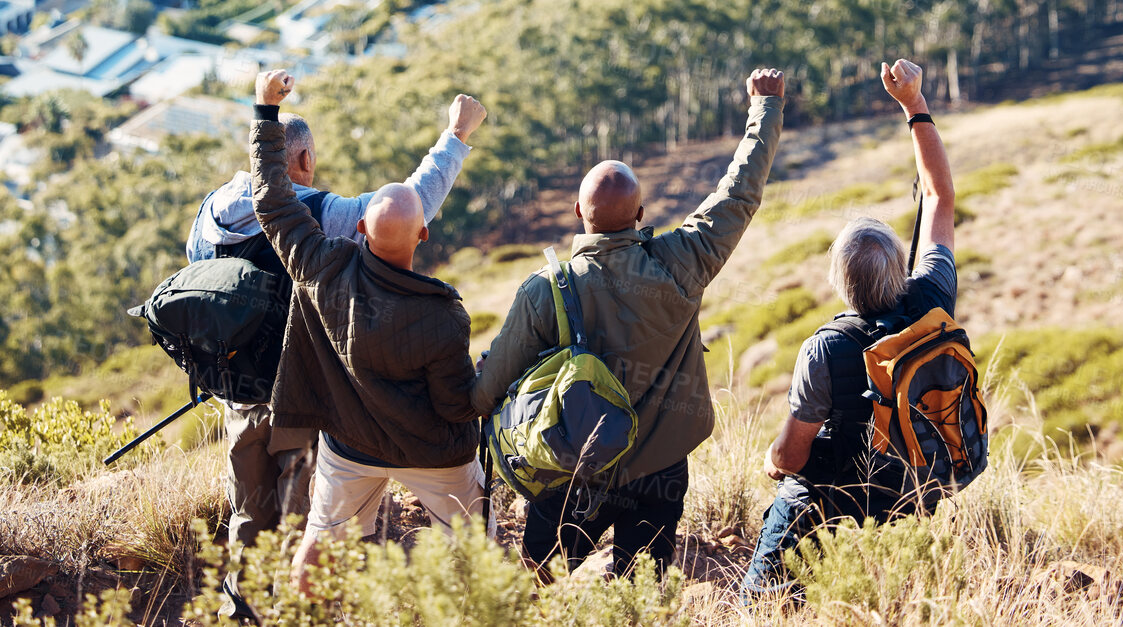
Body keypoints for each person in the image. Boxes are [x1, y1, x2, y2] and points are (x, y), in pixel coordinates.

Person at [473, 66, 787, 581]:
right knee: (641, 592)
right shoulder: (682, 261)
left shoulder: (544, 290)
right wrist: (765, 107)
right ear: (640, 212)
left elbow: (487, 390)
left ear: (577, 211)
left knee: (537, 575)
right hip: (659, 469)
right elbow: (739, 196)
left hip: (573, 469)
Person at [187, 83, 485, 613]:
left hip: (236, 391)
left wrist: (265, 113)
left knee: (249, 510)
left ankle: (243, 610)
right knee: (310, 516)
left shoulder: (209, 213)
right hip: (301, 392)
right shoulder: (319, 217)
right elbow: (406, 208)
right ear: (303, 157)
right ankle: (300, 614)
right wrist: (456, 137)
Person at [741, 58, 957, 604]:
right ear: (900, 270)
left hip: (829, 508)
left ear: (839, 282)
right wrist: (915, 106)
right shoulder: (931, 298)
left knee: (760, 605)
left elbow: (791, 458)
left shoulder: (827, 349)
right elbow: (939, 198)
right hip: (914, 497)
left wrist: (771, 464)